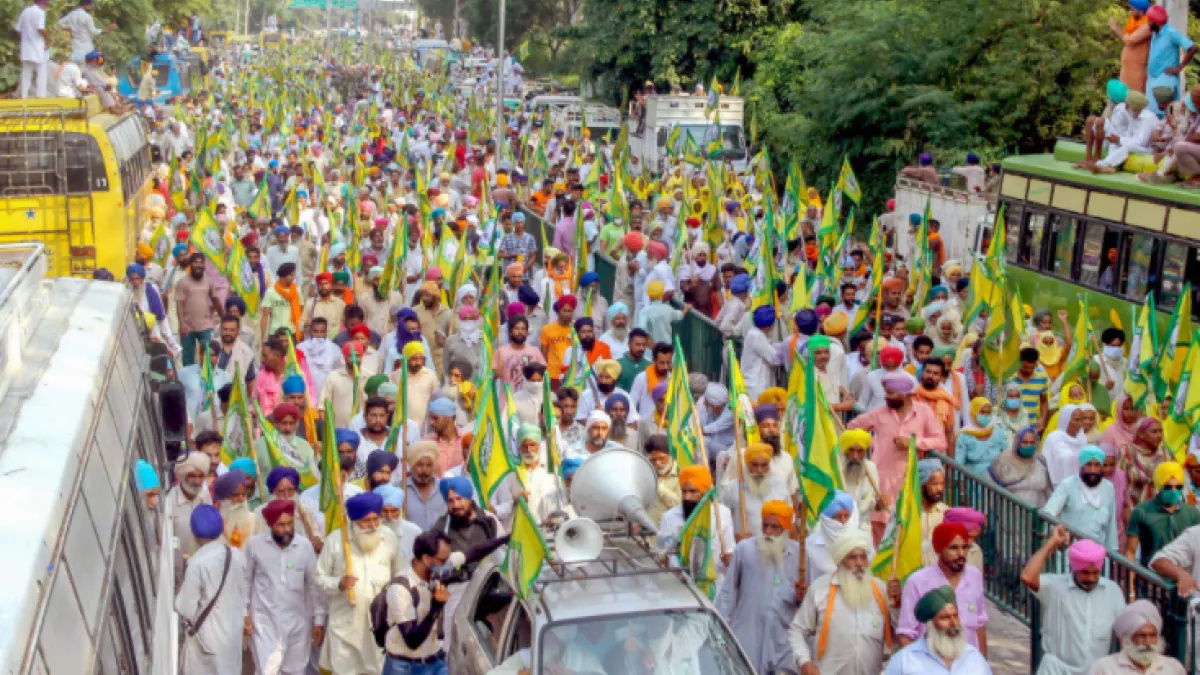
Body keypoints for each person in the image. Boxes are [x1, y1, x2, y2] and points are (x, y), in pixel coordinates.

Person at [788, 530, 899, 675]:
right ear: (840, 561)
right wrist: (804, 662)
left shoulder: (881, 590)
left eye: (863, 557)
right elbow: (797, 630)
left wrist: (898, 605)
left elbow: (899, 632)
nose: (859, 563)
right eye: (852, 557)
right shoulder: (820, 589)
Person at [1019, 525, 1126, 675]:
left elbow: (1125, 632)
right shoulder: (1055, 587)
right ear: (1073, 568)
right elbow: (1027, 576)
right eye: (1085, 573)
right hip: (1056, 670)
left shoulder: (1112, 591)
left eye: (1095, 573)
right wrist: (1051, 543)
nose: (1090, 578)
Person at [716, 501, 801, 674]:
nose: (768, 532)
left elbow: (808, 602)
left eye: (775, 527)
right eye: (765, 526)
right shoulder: (744, 550)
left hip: (782, 642)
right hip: (747, 637)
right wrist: (720, 635)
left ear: (786, 529)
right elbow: (727, 595)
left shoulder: (800, 556)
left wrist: (802, 596)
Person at [245, 499, 325, 675]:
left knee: (295, 672)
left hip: (298, 625)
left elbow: (315, 586)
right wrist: (244, 614)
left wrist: (319, 621)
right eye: (281, 525)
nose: (287, 529)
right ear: (270, 524)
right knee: (267, 670)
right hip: (265, 624)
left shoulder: (304, 546)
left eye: (290, 523)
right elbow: (245, 582)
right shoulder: (255, 546)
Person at [848, 372, 947, 506]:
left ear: (905, 394)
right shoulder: (879, 413)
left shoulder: (924, 412)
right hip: (881, 477)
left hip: (910, 478)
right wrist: (872, 443)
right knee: (880, 519)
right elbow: (852, 427)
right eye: (886, 393)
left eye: (890, 393)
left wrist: (913, 443)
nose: (886, 397)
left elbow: (941, 442)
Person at [175, 504, 249, 675]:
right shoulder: (237, 555)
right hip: (232, 636)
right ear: (222, 527)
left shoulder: (197, 563)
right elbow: (244, 591)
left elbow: (186, 608)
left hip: (206, 643)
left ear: (194, 532)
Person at [898, 523, 988, 653]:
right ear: (938, 550)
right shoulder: (917, 582)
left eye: (965, 547)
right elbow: (905, 634)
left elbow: (980, 625)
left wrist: (983, 666)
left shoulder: (974, 576)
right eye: (953, 548)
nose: (961, 554)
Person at [382, 530, 453, 675]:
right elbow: (412, 641)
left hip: (436, 661)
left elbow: (472, 553)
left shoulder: (434, 575)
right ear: (427, 559)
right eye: (443, 561)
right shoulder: (400, 588)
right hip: (405, 667)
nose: (448, 566)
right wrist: (436, 607)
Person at [885, 585, 992, 674]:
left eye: (955, 616)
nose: (954, 623)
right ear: (930, 624)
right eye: (945, 618)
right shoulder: (904, 661)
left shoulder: (974, 658)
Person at [657, 465, 735, 575]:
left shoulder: (722, 514)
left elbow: (729, 549)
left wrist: (728, 560)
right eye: (684, 491)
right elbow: (663, 552)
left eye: (693, 491)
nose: (687, 497)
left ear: (705, 492)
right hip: (681, 583)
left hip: (714, 583)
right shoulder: (669, 517)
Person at [1043, 446, 1119, 550]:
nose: (1093, 470)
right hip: (1070, 552)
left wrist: (1113, 551)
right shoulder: (1068, 484)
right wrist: (1059, 530)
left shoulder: (1108, 487)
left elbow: (1111, 524)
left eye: (1097, 465)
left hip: (1097, 554)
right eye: (1089, 465)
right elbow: (1048, 512)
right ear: (1081, 466)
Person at [1125, 461, 1200, 567]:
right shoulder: (1141, 512)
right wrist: (1130, 582)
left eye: (1178, 487)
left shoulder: (1192, 514)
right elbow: (1130, 551)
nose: (1174, 491)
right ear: (1159, 486)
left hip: (1182, 578)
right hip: (1150, 577)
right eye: (1168, 487)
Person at [1090, 600, 1186, 674]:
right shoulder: (1104, 668)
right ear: (1126, 639)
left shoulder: (1173, 668)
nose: (1147, 643)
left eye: (1152, 636)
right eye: (1141, 636)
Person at [719, 442, 793, 539]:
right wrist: (735, 537)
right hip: (743, 548)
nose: (759, 470)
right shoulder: (732, 489)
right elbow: (720, 522)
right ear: (747, 464)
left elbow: (790, 519)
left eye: (764, 465)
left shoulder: (780, 485)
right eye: (755, 465)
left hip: (775, 546)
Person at [1145, 5, 1197, 116]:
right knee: (1151, 114)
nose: (1148, 23)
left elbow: (1192, 48)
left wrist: (1180, 67)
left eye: (1150, 20)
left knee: (1167, 114)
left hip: (1165, 80)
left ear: (1156, 22)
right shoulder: (1155, 32)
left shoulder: (1172, 33)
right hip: (1152, 79)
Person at [175, 253, 224, 367]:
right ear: (190, 265)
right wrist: (182, 324)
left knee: (208, 354)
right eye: (195, 262)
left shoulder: (208, 282)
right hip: (188, 326)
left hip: (205, 325)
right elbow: (180, 304)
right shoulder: (183, 283)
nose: (198, 265)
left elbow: (215, 300)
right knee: (188, 359)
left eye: (200, 262)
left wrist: (224, 317)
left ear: (204, 265)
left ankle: (208, 380)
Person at [1117, 417, 1175, 513]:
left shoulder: (1165, 454)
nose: (1159, 435)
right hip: (1134, 511)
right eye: (1154, 432)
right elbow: (1120, 483)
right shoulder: (1127, 452)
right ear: (1141, 434)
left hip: (1161, 511)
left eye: (1161, 431)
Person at [170, 451, 213, 576]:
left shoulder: (205, 497)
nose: (197, 481)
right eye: (192, 476)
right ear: (183, 476)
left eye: (200, 476)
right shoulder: (170, 500)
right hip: (176, 568)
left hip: (201, 566)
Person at [988, 427, 1052, 509]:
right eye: (1025, 442)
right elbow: (990, 488)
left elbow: (1048, 490)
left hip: (1037, 513)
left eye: (1032, 443)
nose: (1029, 446)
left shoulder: (1040, 461)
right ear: (1017, 443)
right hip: (1011, 513)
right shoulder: (1004, 460)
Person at [956, 397, 1007, 475]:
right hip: (972, 479)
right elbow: (958, 463)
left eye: (988, 412)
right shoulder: (964, 435)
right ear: (974, 412)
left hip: (996, 478)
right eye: (982, 412)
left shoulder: (997, 431)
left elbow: (1006, 454)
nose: (985, 415)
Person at [1043, 404, 1089, 488]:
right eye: (1077, 420)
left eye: (1082, 419)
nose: (1080, 423)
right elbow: (1045, 465)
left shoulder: (1083, 440)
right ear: (1066, 420)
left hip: (1079, 489)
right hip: (1057, 488)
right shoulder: (1053, 439)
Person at [58, 0, 115, 64]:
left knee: (76, 66)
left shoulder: (72, 14)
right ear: (86, 5)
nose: (91, 7)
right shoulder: (87, 17)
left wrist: (68, 29)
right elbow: (93, 31)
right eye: (90, 5)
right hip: (86, 46)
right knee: (87, 67)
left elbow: (60, 23)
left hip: (75, 46)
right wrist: (106, 30)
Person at [16, 0, 50, 99]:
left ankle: (24, 96)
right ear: (44, 3)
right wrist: (48, 39)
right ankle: (41, 96)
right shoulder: (40, 12)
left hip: (26, 48)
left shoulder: (25, 11)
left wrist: (26, 39)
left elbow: (18, 29)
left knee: (26, 73)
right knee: (41, 72)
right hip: (38, 47)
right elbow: (40, 28)